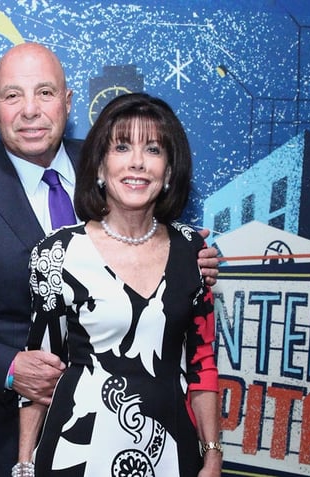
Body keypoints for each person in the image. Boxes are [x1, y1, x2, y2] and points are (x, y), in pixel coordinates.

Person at [0, 43, 219, 477]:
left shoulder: (119, 161)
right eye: (13, 95)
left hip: (141, 431)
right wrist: (11, 368)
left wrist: (193, 260)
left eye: (45, 93)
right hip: (13, 437)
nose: (30, 110)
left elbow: (161, 248)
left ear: (68, 102)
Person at [14, 93, 222, 477]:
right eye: (122, 147)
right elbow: (40, 368)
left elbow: (203, 364)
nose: (138, 163)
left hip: (171, 454)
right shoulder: (56, 254)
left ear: (170, 171)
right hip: (76, 452)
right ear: (99, 167)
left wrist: (212, 455)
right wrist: (25, 462)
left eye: (154, 149)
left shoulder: (193, 251)